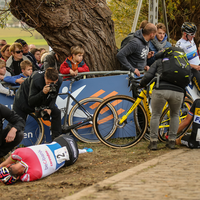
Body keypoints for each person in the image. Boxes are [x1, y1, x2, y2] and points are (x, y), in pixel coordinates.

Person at [140, 50, 186, 150]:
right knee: (175, 115)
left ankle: (153, 142)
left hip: (161, 90)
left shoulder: (159, 61)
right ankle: (172, 141)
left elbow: (148, 76)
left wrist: (141, 84)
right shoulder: (181, 63)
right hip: (178, 91)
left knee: (156, 115)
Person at [0, 134, 79, 183]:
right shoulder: (19, 153)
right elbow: (5, 163)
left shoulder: (28, 176)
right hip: (65, 139)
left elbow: (19, 178)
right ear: (9, 166)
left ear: (17, 177)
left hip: (73, 157)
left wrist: (9, 178)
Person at [13, 67, 63, 140]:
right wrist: (42, 93)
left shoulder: (59, 81)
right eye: (48, 82)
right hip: (23, 99)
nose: (49, 84)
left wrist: (50, 108)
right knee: (17, 123)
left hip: (40, 99)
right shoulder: (36, 79)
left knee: (56, 112)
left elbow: (53, 96)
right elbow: (31, 101)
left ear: (57, 80)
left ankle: (57, 140)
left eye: (52, 83)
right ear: (44, 77)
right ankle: (9, 145)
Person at [175, 22, 200, 92]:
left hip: (198, 65)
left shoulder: (191, 39)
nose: (194, 36)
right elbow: (179, 62)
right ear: (185, 34)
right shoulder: (180, 44)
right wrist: (193, 66)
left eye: (194, 33)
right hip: (191, 69)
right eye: (192, 34)